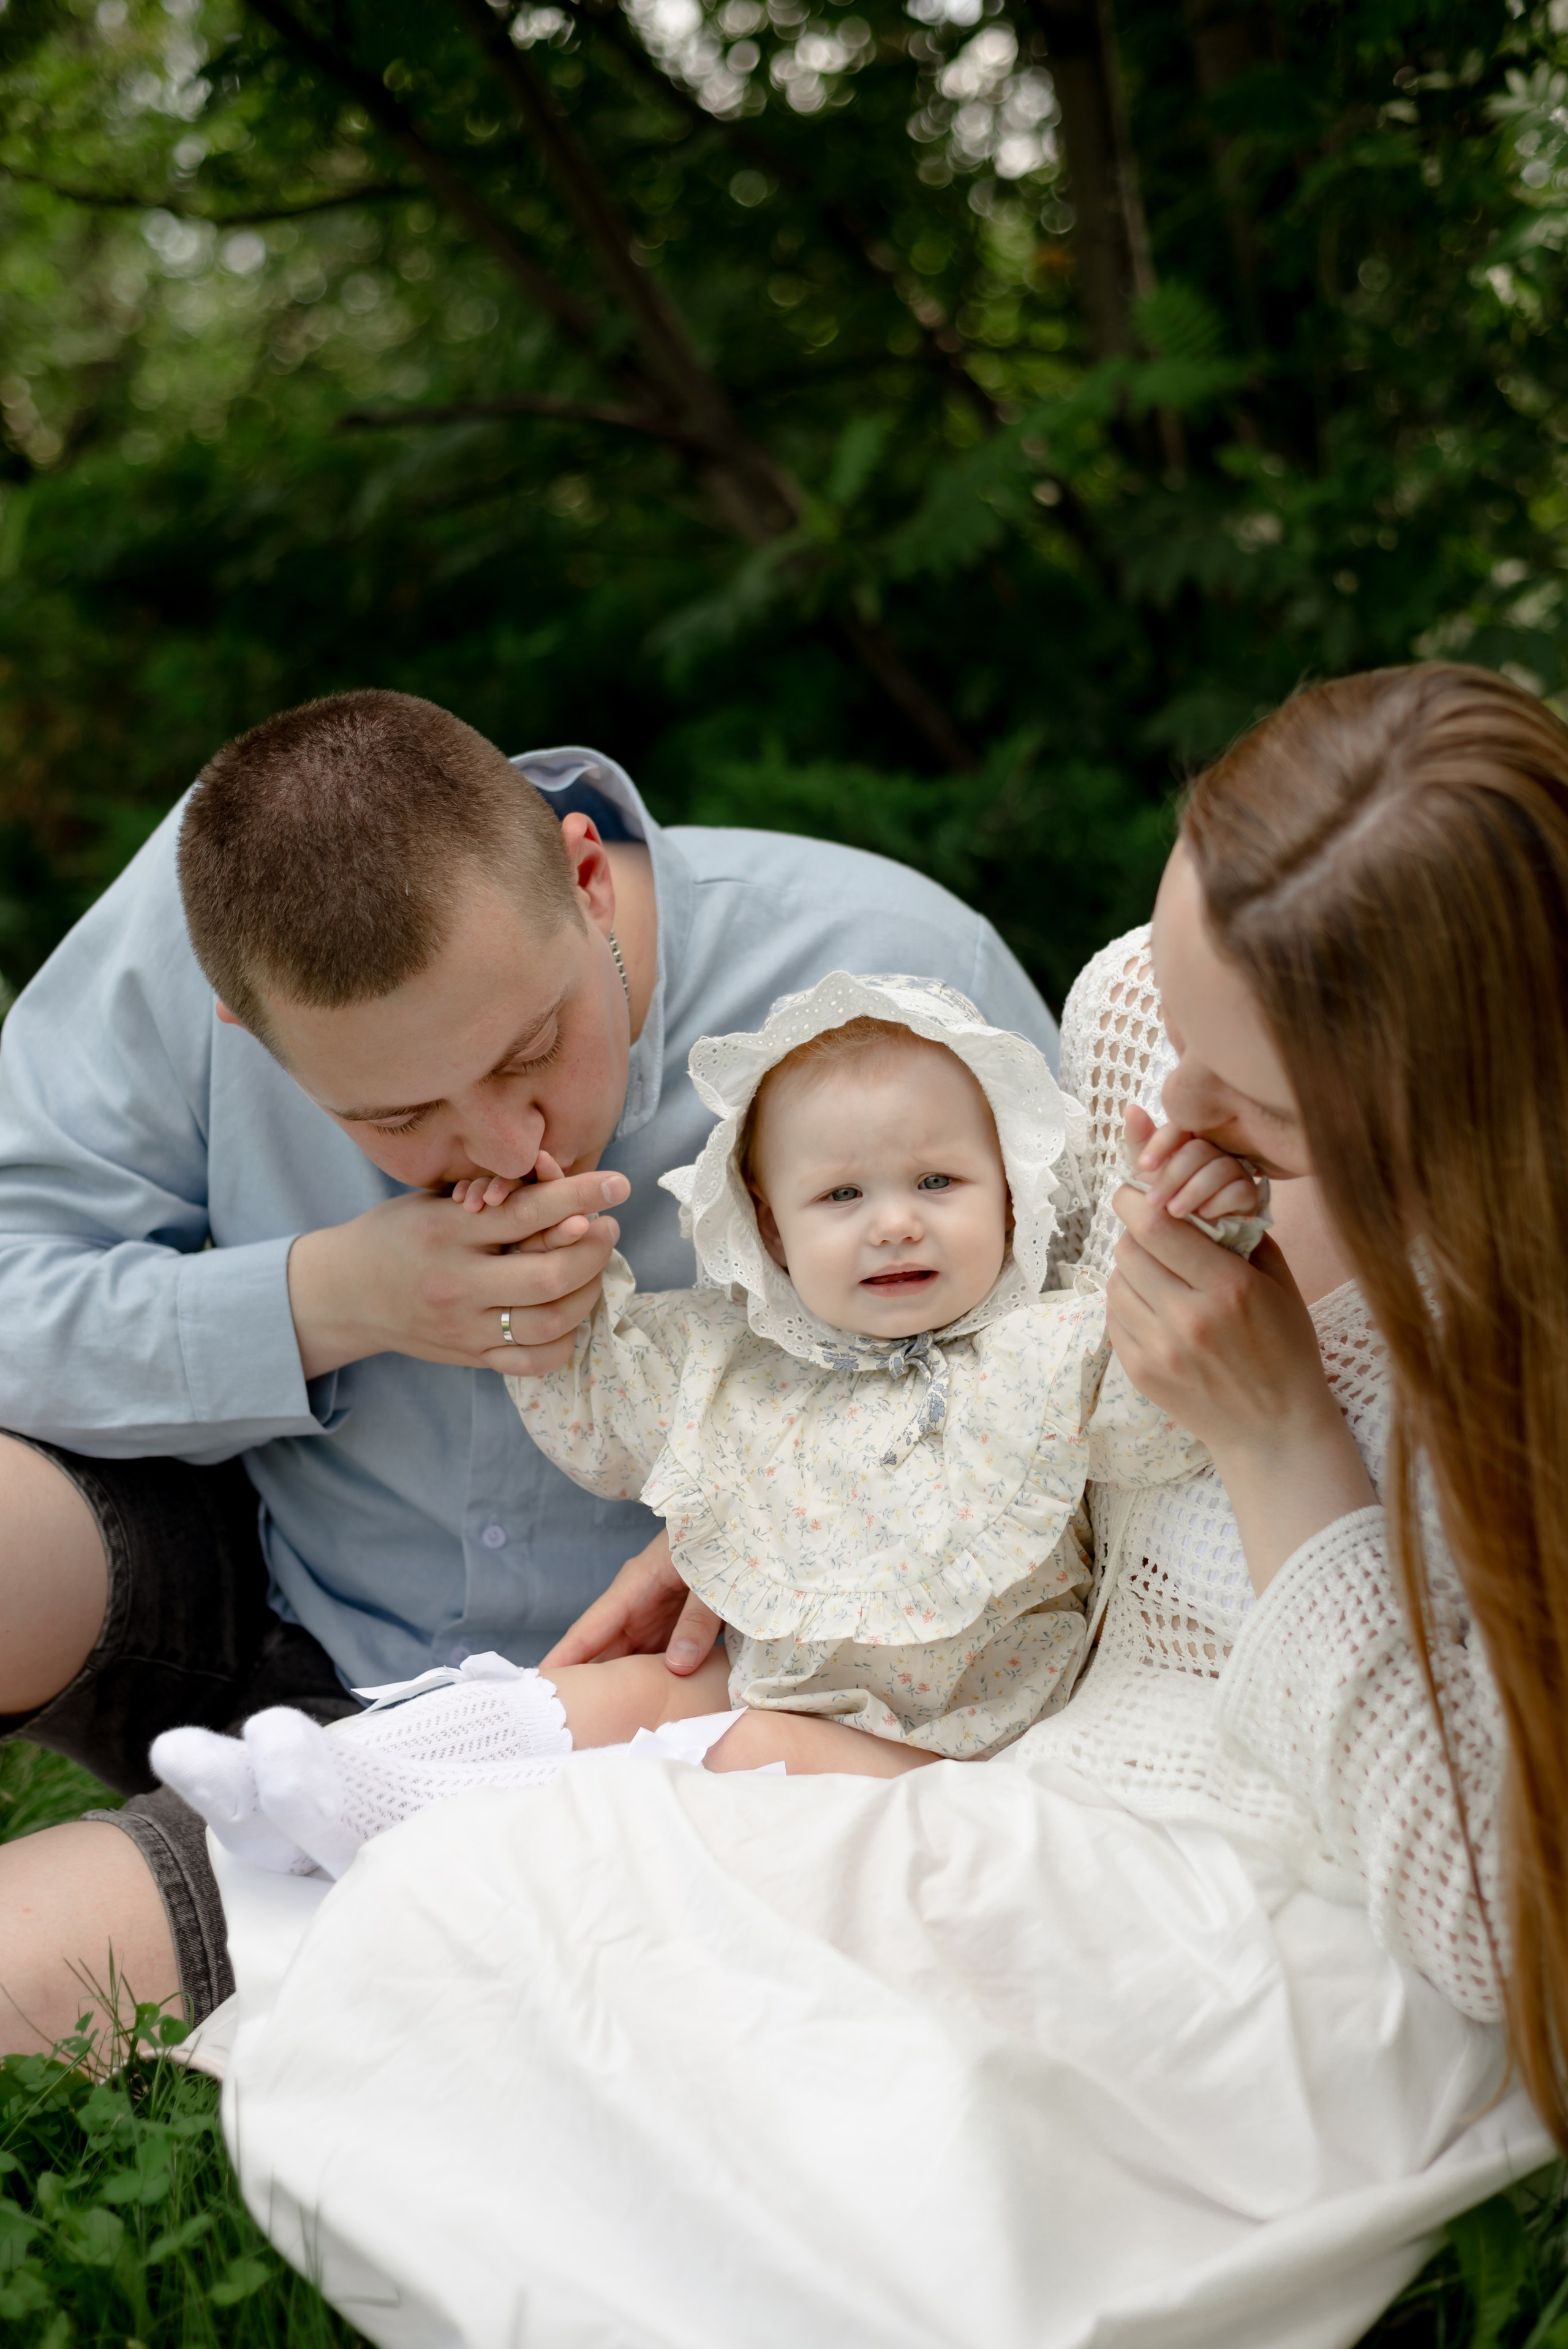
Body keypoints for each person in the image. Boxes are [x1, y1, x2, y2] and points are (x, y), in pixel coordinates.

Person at [216, 663, 1566, 2348]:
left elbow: (1515, 1947)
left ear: (1458, 1103)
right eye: (1177, 1023)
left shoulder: (1525, 1313)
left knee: (886, 2162)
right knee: (485, 1916)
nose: (1176, 1117)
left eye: (1264, 1110)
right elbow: (1006, 1385)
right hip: (1026, 1761)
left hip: (1291, 1908)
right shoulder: (1153, 1015)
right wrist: (795, 1508)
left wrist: (1285, 1446)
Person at [0, 688, 1058, 2053]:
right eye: (396, 1115)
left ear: (580, 875)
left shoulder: (893, 972)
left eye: (529, 1051)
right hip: (258, 1574)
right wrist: (330, 1298)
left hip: (622, 1726)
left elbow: (1078, 1379)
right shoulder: (215, 926)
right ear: (242, 1027)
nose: (501, 1140)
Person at [147, 973, 1265, 1876]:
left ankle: (437, 1836)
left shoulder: (1051, 1349)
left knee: (735, 1750)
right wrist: (551, 1269)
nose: (893, 1225)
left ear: (1011, 1198)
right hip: (761, 1684)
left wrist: (1204, 1244)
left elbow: (1159, 1420)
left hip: (960, 1758)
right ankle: (327, 1785)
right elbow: (604, 1415)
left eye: (938, 1181)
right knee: (585, 1696)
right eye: (841, 1197)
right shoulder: (733, 1360)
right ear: (771, 1234)